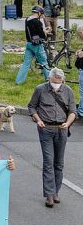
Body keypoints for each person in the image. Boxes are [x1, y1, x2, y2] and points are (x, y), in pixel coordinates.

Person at [27, 68, 77, 208]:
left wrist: (68, 123)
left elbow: (72, 111)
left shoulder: (68, 91)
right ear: (49, 79)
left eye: (59, 82)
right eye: (54, 82)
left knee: (59, 163)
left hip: (62, 129)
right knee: (48, 162)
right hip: (46, 129)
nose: (57, 85)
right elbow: (32, 107)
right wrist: (38, 120)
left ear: (63, 80)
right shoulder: (40, 89)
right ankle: (49, 194)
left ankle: (56, 192)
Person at [15, 6, 50, 85]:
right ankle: (49, 80)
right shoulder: (38, 22)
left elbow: (32, 32)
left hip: (29, 43)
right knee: (44, 62)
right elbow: (42, 35)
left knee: (26, 63)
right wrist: (46, 31)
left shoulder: (27, 19)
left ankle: (19, 81)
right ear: (39, 13)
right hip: (37, 45)